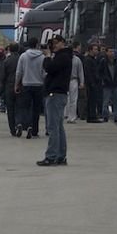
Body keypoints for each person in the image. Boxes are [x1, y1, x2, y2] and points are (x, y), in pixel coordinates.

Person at [38, 35, 73, 166]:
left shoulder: (62, 57)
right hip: (59, 93)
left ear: (62, 43)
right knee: (58, 127)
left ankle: (51, 156)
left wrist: (47, 56)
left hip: (55, 94)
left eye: (56, 43)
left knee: (53, 127)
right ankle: (60, 155)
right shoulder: (65, 56)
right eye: (52, 44)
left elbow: (49, 68)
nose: (54, 46)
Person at [14, 37, 45, 139]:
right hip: (38, 85)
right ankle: (33, 128)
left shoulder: (23, 56)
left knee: (24, 107)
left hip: (26, 84)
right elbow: (44, 73)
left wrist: (16, 84)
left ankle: (22, 124)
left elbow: (19, 71)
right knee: (36, 108)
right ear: (37, 44)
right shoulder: (42, 57)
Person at [98, 47, 117, 122]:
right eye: (110, 51)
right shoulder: (103, 62)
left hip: (116, 84)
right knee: (105, 101)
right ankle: (105, 116)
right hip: (107, 84)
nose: (111, 53)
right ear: (106, 53)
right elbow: (100, 72)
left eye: (112, 51)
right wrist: (104, 79)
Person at [0, 43, 20, 135]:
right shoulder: (21, 59)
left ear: (9, 50)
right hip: (21, 86)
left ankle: (13, 129)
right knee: (20, 107)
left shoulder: (6, 61)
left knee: (10, 108)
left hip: (9, 86)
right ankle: (19, 122)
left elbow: (2, 76)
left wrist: (1, 90)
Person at [82, 44, 103, 123]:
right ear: (90, 50)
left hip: (94, 82)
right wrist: (92, 83)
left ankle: (92, 115)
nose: (96, 51)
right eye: (95, 49)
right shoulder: (88, 60)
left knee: (93, 100)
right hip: (91, 83)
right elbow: (88, 72)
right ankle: (91, 116)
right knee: (91, 100)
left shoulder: (93, 59)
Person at [65, 41, 85, 123]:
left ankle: (72, 117)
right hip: (66, 80)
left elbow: (80, 72)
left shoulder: (77, 60)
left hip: (73, 80)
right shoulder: (65, 59)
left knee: (73, 99)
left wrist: (82, 82)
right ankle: (67, 115)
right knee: (67, 99)